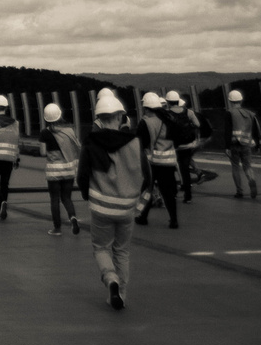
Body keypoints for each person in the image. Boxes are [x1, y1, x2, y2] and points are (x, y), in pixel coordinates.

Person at [78, 91, 151, 310]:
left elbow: (82, 176)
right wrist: (140, 205)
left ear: (99, 119)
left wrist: (87, 195)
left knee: (101, 249)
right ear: (120, 117)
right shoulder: (135, 142)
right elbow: (147, 177)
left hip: (101, 206)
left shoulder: (91, 142)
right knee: (122, 252)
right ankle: (121, 295)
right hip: (127, 207)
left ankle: (111, 280)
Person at [135, 93, 181, 229]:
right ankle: (173, 220)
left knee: (147, 189)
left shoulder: (146, 122)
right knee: (168, 193)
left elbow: (140, 144)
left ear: (146, 108)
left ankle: (142, 216)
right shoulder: (169, 119)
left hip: (153, 162)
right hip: (169, 161)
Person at [40, 103, 81, 235]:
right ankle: (73, 218)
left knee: (54, 199)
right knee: (67, 198)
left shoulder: (45, 133)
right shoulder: (69, 131)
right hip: (69, 170)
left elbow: (42, 152)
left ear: (46, 118)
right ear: (60, 115)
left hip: (54, 172)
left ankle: (57, 229)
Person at [164, 91, 209, 203]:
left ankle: (173, 193)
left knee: (171, 171)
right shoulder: (188, 112)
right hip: (188, 145)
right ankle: (188, 196)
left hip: (174, 146)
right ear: (178, 100)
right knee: (185, 170)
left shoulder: (166, 114)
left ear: (168, 102)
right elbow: (198, 125)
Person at [225, 89, 261, 199]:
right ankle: (251, 180)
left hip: (234, 144)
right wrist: (258, 145)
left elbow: (227, 131)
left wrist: (226, 147)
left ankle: (239, 191)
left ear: (230, 101)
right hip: (247, 144)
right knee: (247, 166)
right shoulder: (250, 114)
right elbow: (256, 130)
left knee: (235, 167)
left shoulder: (230, 113)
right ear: (241, 100)